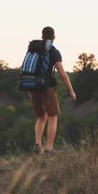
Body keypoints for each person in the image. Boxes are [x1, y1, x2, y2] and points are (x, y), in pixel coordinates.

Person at [28, 26, 77, 154]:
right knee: (52, 117)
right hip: (47, 87)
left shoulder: (33, 48)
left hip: (32, 86)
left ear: (42, 36)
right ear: (54, 37)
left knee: (41, 116)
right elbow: (62, 74)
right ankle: (49, 148)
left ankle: (37, 144)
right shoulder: (54, 51)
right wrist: (71, 90)